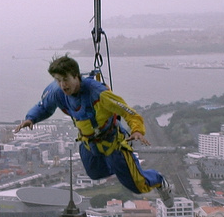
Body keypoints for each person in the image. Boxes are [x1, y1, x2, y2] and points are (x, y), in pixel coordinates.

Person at [14, 55, 166, 197]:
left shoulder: (98, 93)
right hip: (89, 143)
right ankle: (121, 169)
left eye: (65, 79)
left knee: (137, 186)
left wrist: (137, 130)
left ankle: (159, 179)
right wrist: (31, 118)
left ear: (76, 75)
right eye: (58, 80)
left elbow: (128, 112)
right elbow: (44, 106)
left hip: (113, 142)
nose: (62, 85)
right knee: (95, 174)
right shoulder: (57, 92)